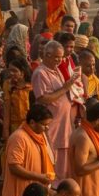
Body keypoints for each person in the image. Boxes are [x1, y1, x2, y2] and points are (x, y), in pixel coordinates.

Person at [0, 105, 56, 196]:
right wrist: (39, 177)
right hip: (19, 194)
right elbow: (14, 167)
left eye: (48, 125)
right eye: (44, 125)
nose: (47, 128)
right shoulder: (19, 137)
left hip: (34, 195)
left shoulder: (40, 137)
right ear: (32, 122)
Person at [31, 41, 79, 178]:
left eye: (61, 57)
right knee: (51, 159)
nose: (59, 60)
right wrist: (65, 88)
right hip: (51, 126)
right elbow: (43, 98)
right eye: (57, 57)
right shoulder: (40, 73)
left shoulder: (56, 70)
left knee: (63, 163)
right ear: (47, 55)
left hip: (63, 126)